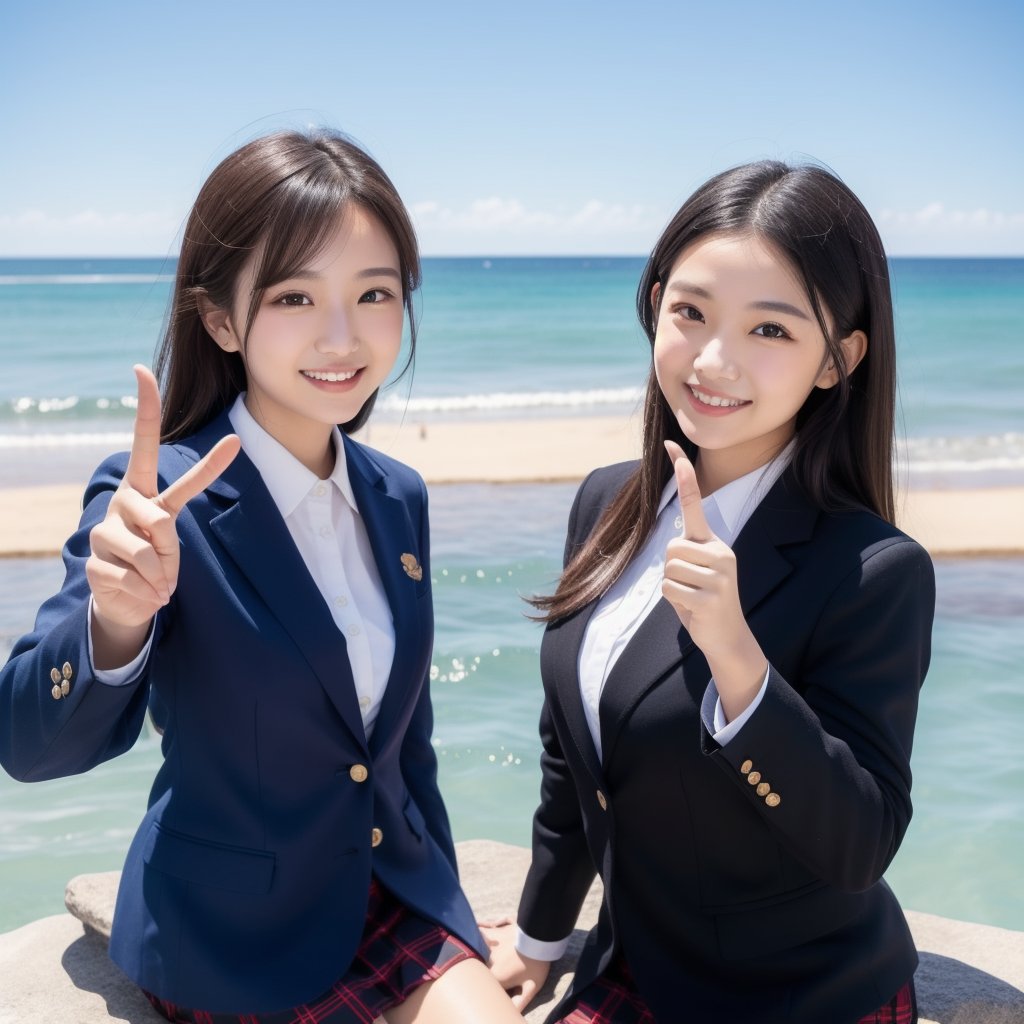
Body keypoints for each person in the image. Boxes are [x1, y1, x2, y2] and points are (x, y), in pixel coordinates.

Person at [0, 128, 523, 1024]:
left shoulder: (398, 496)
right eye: (294, 296)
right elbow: (27, 742)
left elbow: (406, 745)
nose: (341, 335)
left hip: (391, 900)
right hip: (229, 933)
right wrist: (114, 624)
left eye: (375, 294)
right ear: (222, 319)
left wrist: (447, 906)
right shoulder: (161, 497)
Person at [484, 161, 935, 1024]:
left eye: (772, 330)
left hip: (800, 998)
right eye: (690, 312)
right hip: (633, 967)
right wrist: (540, 938)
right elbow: (573, 758)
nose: (715, 360)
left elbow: (859, 845)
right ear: (655, 304)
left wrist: (739, 662)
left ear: (839, 359)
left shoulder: (874, 570)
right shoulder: (604, 501)